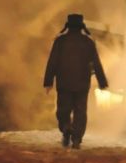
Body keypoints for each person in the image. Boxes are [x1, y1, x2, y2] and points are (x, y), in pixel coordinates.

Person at [43, 13, 108, 148]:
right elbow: (96, 63)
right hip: (82, 84)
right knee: (80, 111)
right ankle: (77, 138)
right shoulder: (88, 42)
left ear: (68, 26)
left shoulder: (60, 41)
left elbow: (52, 62)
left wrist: (48, 82)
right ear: (81, 26)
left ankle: (66, 128)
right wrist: (102, 82)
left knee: (63, 110)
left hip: (64, 83)